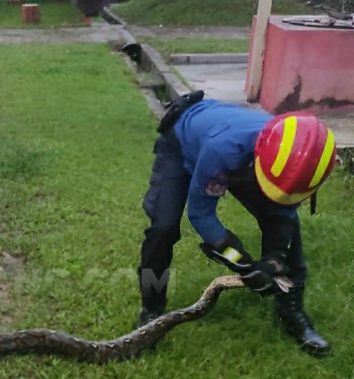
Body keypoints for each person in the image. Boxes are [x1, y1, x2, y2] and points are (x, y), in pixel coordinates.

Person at [136, 91, 337, 357]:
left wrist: (273, 260)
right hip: (181, 143)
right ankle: (152, 309)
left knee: (290, 234)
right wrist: (241, 262)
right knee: (163, 229)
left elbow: (283, 219)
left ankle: (292, 313)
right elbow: (201, 216)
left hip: (236, 150)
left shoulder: (294, 161)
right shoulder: (224, 149)